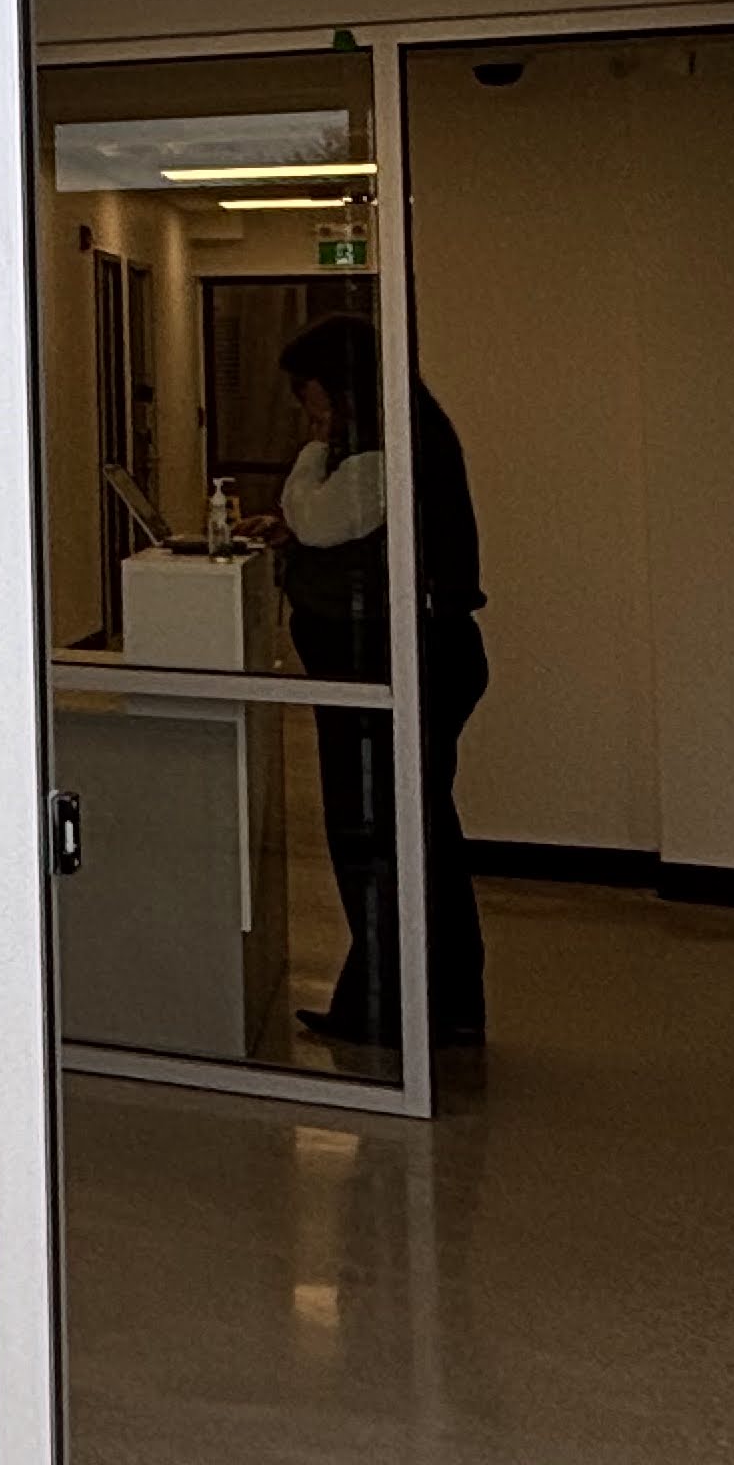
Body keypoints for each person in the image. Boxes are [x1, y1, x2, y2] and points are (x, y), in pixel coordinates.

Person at [266, 314, 489, 1049]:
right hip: (416, 658)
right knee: (418, 836)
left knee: (375, 837)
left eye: (313, 398)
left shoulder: (378, 450)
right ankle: (433, 1002)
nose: (310, 413)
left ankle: (387, 1008)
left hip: (389, 669)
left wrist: (315, 447)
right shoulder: (410, 433)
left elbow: (316, 518)